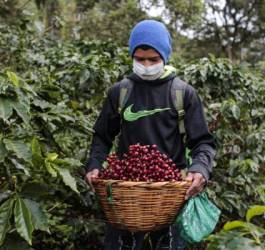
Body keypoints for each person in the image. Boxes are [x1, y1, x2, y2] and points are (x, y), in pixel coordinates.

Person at [85, 20, 216, 250]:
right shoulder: (120, 92)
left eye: (153, 59)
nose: (146, 65)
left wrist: (200, 170)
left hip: (169, 194)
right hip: (127, 194)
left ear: (164, 57)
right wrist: (95, 163)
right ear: (132, 56)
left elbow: (203, 142)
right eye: (140, 59)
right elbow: (102, 136)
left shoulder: (182, 93)